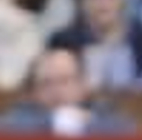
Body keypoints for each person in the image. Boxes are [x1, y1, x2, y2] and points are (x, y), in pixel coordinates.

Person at [1, 45, 134, 134]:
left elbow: (125, 129)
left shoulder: (101, 111)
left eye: (65, 81)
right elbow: (7, 127)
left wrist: (89, 122)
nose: (56, 90)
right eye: (46, 83)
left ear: (83, 84)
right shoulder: (22, 115)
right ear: (33, 92)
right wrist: (59, 120)